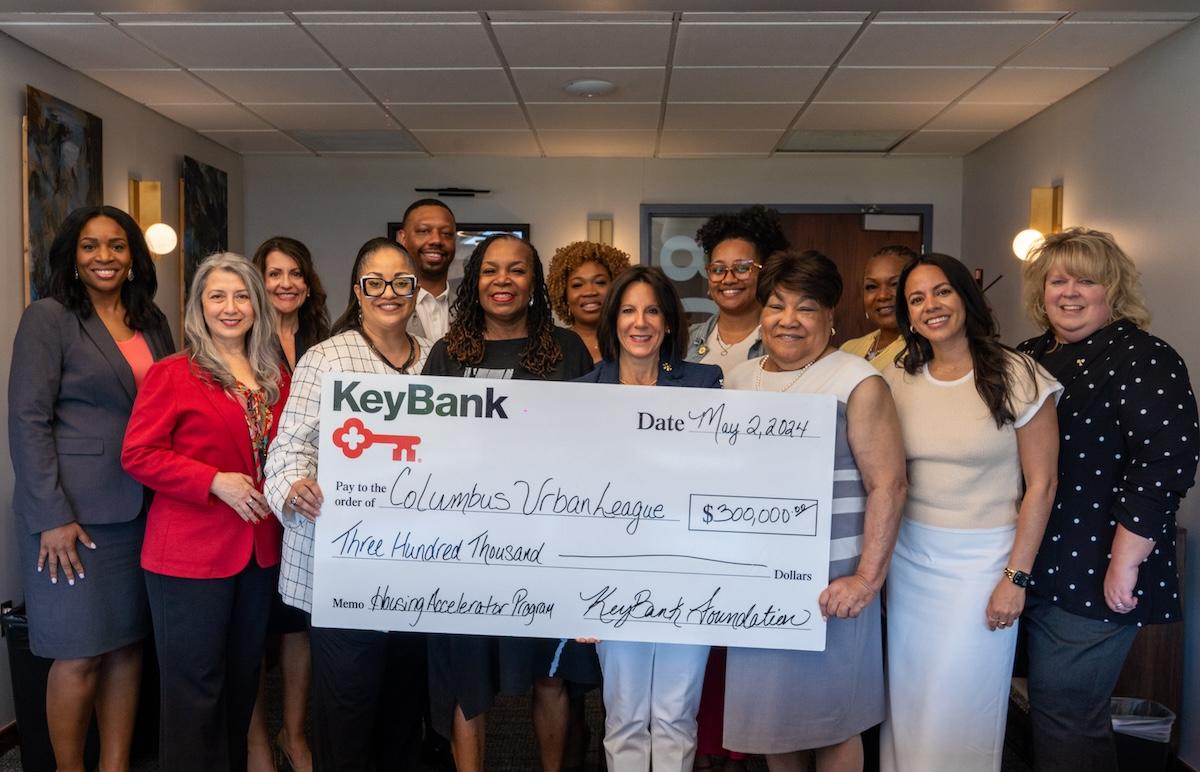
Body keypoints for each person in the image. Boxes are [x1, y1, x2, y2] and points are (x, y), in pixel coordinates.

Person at [1015, 228, 1198, 772]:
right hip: (1030, 559)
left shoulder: (1144, 357)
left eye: (1086, 280)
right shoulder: (1029, 357)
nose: (1070, 292)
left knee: (1067, 711)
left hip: (1100, 563)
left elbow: (1165, 465)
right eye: (1058, 280)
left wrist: (1125, 562)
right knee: (1044, 710)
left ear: (1112, 289)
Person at [723, 249, 907, 772]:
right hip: (755, 582)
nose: (788, 320)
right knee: (773, 727)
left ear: (831, 317)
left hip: (834, 582)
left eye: (806, 308)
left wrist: (866, 579)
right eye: (776, 306)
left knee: (832, 724)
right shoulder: (737, 379)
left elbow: (890, 485)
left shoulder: (856, 380)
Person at [8, 205, 174, 772]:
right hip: (72, 518)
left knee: (127, 646)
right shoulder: (48, 318)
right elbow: (28, 420)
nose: (104, 256)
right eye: (89, 246)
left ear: (133, 257)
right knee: (78, 655)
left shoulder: (151, 320)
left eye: (117, 246)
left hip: (143, 510)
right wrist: (51, 515)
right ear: (72, 258)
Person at [879, 253, 1060, 772]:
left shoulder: (1018, 372)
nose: (931, 306)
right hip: (911, 561)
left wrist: (1015, 577)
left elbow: (1042, 485)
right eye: (916, 299)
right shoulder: (896, 375)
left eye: (942, 292)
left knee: (961, 703)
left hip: (985, 565)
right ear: (907, 314)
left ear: (965, 296)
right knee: (910, 700)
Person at [422, 233, 594, 772]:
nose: (503, 281)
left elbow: (593, 444)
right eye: (491, 271)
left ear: (533, 282)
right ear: (474, 282)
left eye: (516, 270)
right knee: (467, 677)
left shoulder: (567, 350)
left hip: (548, 542)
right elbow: (425, 444)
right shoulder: (448, 353)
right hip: (467, 546)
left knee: (550, 674)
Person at [264, 237, 432, 771]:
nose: (389, 293)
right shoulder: (327, 357)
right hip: (344, 563)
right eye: (375, 283)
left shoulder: (436, 359)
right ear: (358, 292)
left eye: (401, 283)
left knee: (406, 703)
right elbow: (286, 449)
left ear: (414, 290)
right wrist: (293, 486)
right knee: (348, 703)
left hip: (414, 567)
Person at [122, 253, 289, 772]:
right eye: (217, 296)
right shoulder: (174, 373)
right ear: (198, 306)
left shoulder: (275, 375)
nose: (231, 307)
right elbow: (137, 454)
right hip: (188, 558)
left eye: (241, 296)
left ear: (257, 305)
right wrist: (212, 481)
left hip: (260, 553)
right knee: (194, 691)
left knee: (242, 683)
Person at [574, 265, 723, 771]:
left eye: (653, 310)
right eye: (629, 310)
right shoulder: (582, 393)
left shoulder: (704, 385)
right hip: (611, 574)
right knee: (626, 715)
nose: (641, 322)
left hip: (687, 570)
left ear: (669, 321)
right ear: (613, 320)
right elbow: (565, 499)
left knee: (677, 715)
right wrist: (577, 591)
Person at [248, 235, 329, 772]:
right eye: (274, 273)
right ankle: (256, 743)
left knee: (299, 626)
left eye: (295, 273)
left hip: (310, 505)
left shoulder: (328, 339)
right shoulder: (241, 339)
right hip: (253, 503)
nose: (285, 283)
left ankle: (293, 733)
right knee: (254, 630)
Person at [686, 204, 789, 377]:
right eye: (718, 269)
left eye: (742, 268)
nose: (729, 279)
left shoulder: (785, 339)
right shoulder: (685, 340)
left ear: (764, 272)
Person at [547, 240, 632, 363]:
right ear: (564, 296)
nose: (590, 291)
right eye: (577, 285)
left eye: (600, 282)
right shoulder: (549, 347)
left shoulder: (635, 342)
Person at [840, 245, 917, 370]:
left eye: (895, 284)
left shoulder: (926, 351)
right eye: (872, 286)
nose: (882, 296)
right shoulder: (848, 349)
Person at [397, 198, 458, 341]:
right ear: (403, 238)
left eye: (447, 233)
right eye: (424, 231)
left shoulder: (472, 310)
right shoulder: (384, 306)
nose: (436, 240)